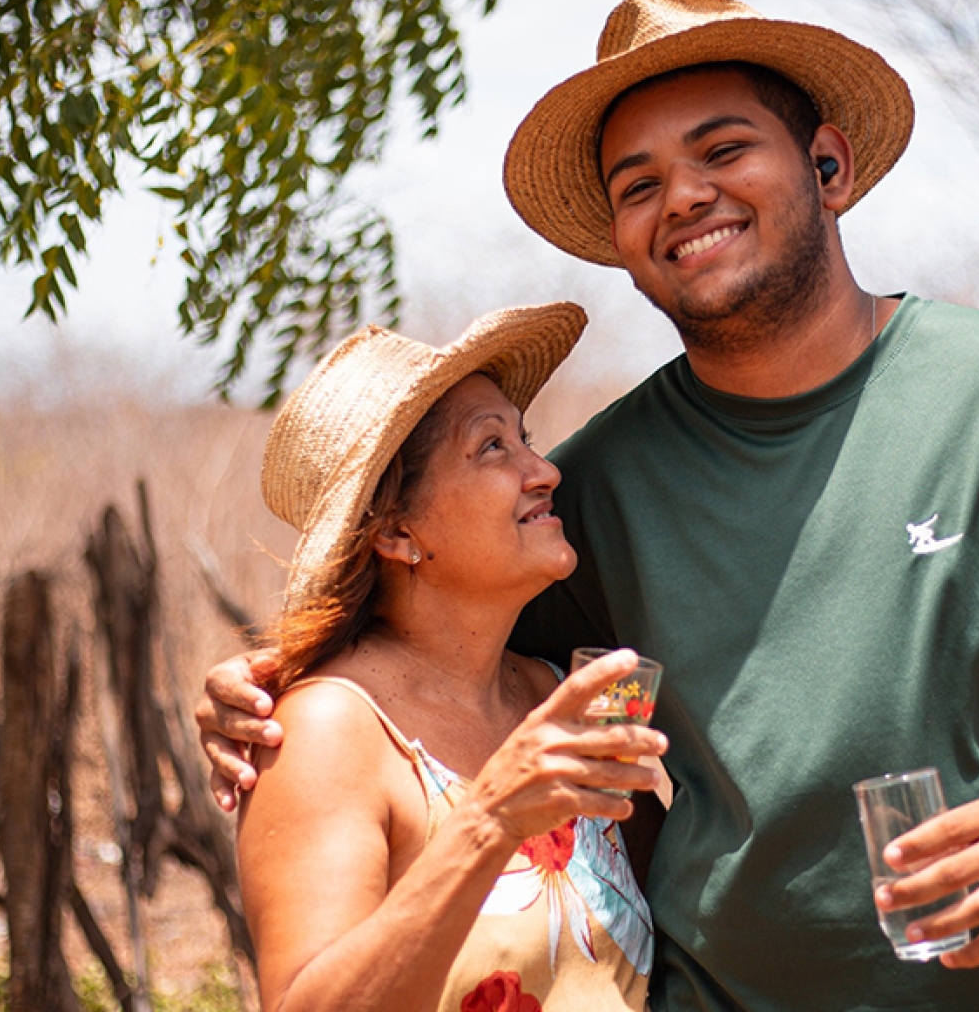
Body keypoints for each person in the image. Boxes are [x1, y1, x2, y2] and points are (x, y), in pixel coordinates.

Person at [200, 0, 979, 1012]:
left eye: (724, 150)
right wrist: (260, 693)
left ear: (829, 165)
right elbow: (427, 658)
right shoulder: (597, 489)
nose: (682, 197)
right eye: (638, 186)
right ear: (624, 241)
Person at [234, 302, 669, 1012]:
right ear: (397, 532)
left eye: (525, 439)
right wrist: (490, 820)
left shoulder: (558, 694)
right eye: (492, 448)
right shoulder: (330, 733)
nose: (545, 471)